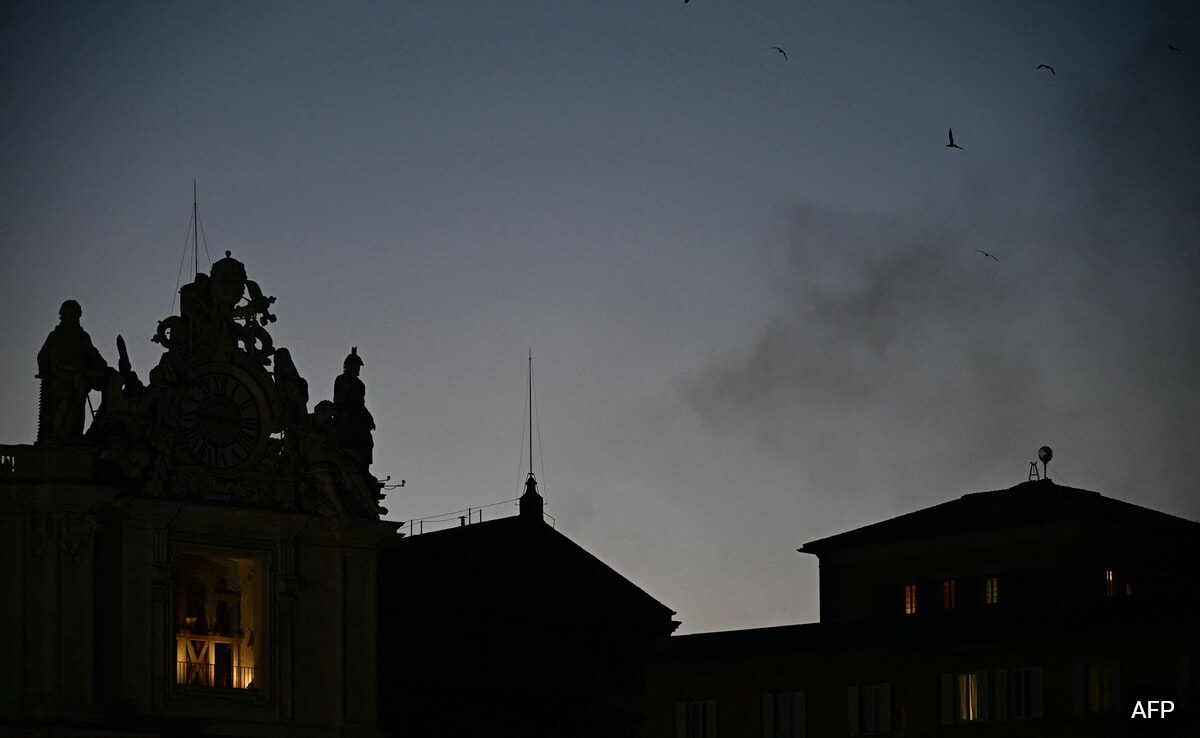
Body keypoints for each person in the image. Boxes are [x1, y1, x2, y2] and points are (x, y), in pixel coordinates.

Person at [36, 300, 111, 443]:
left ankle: (73, 433)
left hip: (79, 377)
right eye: (71, 313)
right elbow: (43, 355)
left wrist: (101, 365)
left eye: (77, 314)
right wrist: (45, 371)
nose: (74, 317)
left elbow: (93, 353)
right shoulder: (56, 336)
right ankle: (58, 433)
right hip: (60, 377)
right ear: (64, 315)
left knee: (77, 402)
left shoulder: (82, 337)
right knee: (65, 401)